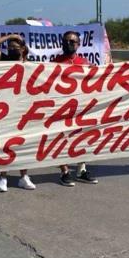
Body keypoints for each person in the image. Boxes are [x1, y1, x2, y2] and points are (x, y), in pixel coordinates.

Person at [0, 33, 36, 192]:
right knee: (5, 144)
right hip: (5, 109)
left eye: (16, 47)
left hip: (24, 109)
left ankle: (24, 176)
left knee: (23, 144)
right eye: (10, 47)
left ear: (22, 49)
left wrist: (23, 52)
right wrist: (10, 36)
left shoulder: (28, 64)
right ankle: (3, 177)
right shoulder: (3, 60)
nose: (12, 49)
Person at [53, 30, 99, 187]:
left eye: (72, 42)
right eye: (66, 41)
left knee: (81, 139)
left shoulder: (84, 63)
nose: (68, 44)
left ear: (78, 44)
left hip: (80, 109)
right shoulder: (53, 64)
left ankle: (81, 169)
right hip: (61, 110)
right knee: (61, 140)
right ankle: (64, 172)